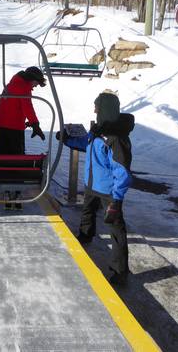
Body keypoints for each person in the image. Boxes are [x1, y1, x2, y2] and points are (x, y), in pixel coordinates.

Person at [58, 91, 134, 285]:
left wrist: (116, 199)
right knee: (88, 211)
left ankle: (120, 271)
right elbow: (86, 144)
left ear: (105, 109)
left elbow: (122, 171)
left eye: (97, 107)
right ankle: (86, 234)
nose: (94, 111)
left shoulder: (115, 137)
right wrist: (66, 139)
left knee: (116, 230)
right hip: (92, 185)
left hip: (109, 191)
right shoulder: (98, 130)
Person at [0, 67, 46, 155]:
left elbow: (11, 107)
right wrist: (35, 125)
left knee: (3, 156)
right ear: (32, 79)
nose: (36, 85)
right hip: (13, 129)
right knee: (17, 157)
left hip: (0, 125)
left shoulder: (12, 84)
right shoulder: (23, 87)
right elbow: (28, 108)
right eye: (37, 82)